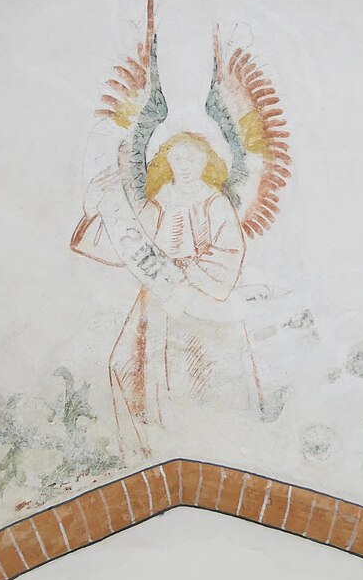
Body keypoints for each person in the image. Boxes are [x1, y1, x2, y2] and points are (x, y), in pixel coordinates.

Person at [71, 131, 263, 458]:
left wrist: (187, 276)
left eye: (192, 157)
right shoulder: (159, 203)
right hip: (156, 305)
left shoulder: (215, 203)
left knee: (198, 379)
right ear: (166, 161)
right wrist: (93, 209)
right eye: (177, 157)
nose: (184, 164)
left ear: (206, 160)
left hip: (200, 305)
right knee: (125, 364)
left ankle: (208, 450)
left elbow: (229, 253)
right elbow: (123, 248)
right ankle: (150, 451)